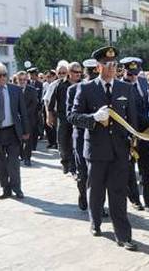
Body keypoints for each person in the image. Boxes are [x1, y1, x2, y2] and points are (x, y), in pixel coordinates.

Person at [70, 46, 138, 250]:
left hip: (119, 150)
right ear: (99, 66)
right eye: (108, 64)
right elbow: (72, 117)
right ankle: (96, 222)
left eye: (115, 64)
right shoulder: (86, 88)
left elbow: (132, 120)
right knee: (96, 191)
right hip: (96, 151)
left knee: (118, 193)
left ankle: (124, 236)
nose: (112, 68)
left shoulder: (125, 88)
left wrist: (134, 143)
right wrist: (93, 118)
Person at [0, 62, 29, 199]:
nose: (2, 78)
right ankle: (5, 188)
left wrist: (26, 130)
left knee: (13, 162)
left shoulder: (15, 90)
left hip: (12, 131)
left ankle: (17, 188)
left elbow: (23, 112)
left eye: (4, 75)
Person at [120, 57, 149, 216]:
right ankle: (134, 199)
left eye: (135, 73)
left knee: (148, 171)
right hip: (128, 136)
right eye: (129, 74)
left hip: (146, 135)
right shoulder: (119, 87)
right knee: (129, 171)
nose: (132, 77)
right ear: (123, 71)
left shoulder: (143, 83)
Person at [66, 59, 97, 211]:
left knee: (97, 172)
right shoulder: (74, 90)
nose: (92, 75)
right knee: (83, 171)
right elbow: (70, 116)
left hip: (99, 137)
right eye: (90, 72)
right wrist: (91, 120)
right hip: (81, 135)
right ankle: (84, 195)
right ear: (86, 72)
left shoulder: (102, 89)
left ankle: (97, 203)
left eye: (95, 72)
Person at [48, 62, 82, 175]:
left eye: (79, 72)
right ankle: (65, 162)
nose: (78, 74)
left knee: (75, 142)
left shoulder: (83, 85)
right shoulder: (60, 85)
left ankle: (73, 167)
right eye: (75, 72)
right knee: (62, 143)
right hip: (63, 118)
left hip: (77, 118)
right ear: (69, 72)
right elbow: (51, 103)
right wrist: (49, 116)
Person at [16, 71, 39, 167]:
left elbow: (34, 105)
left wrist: (23, 114)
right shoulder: (13, 89)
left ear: (27, 80)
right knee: (18, 139)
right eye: (20, 80)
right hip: (16, 119)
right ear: (17, 80)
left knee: (28, 139)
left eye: (24, 79)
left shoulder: (32, 90)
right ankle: (21, 155)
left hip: (28, 119)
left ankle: (27, 158)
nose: (22, 81)